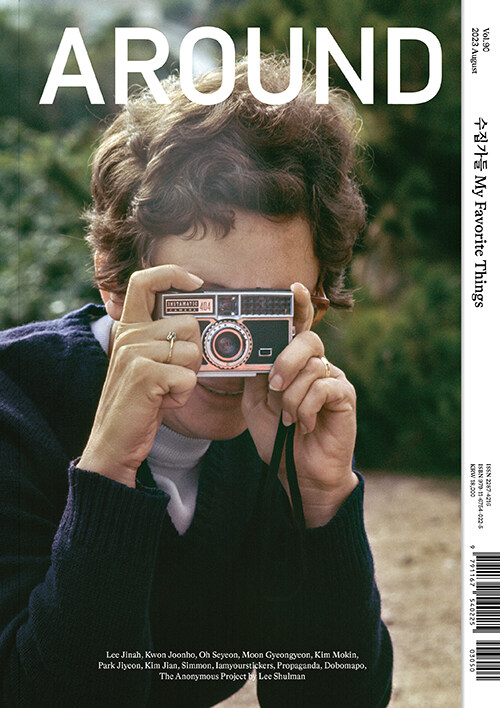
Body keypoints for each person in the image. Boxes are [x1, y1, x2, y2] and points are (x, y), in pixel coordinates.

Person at [0, 56, 392, 706]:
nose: (228, 346)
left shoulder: (285, 425)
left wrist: (322, 506)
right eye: (202, 301)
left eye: (265, 309)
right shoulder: (15, 407)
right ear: (115, 285)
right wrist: (109, 472)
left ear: (316, 305)